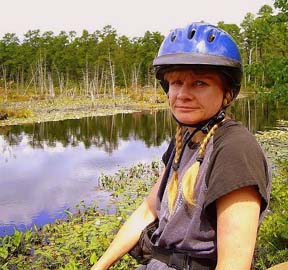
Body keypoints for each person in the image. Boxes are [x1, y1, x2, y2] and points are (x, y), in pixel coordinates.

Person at [92, 22, 272, 270]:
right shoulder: (186, 139)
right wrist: (99, 266)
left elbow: (234, 264)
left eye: (199, 83)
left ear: (227, 93)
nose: (182, 94)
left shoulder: (234, 150)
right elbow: (148, 210)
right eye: (176, 82)